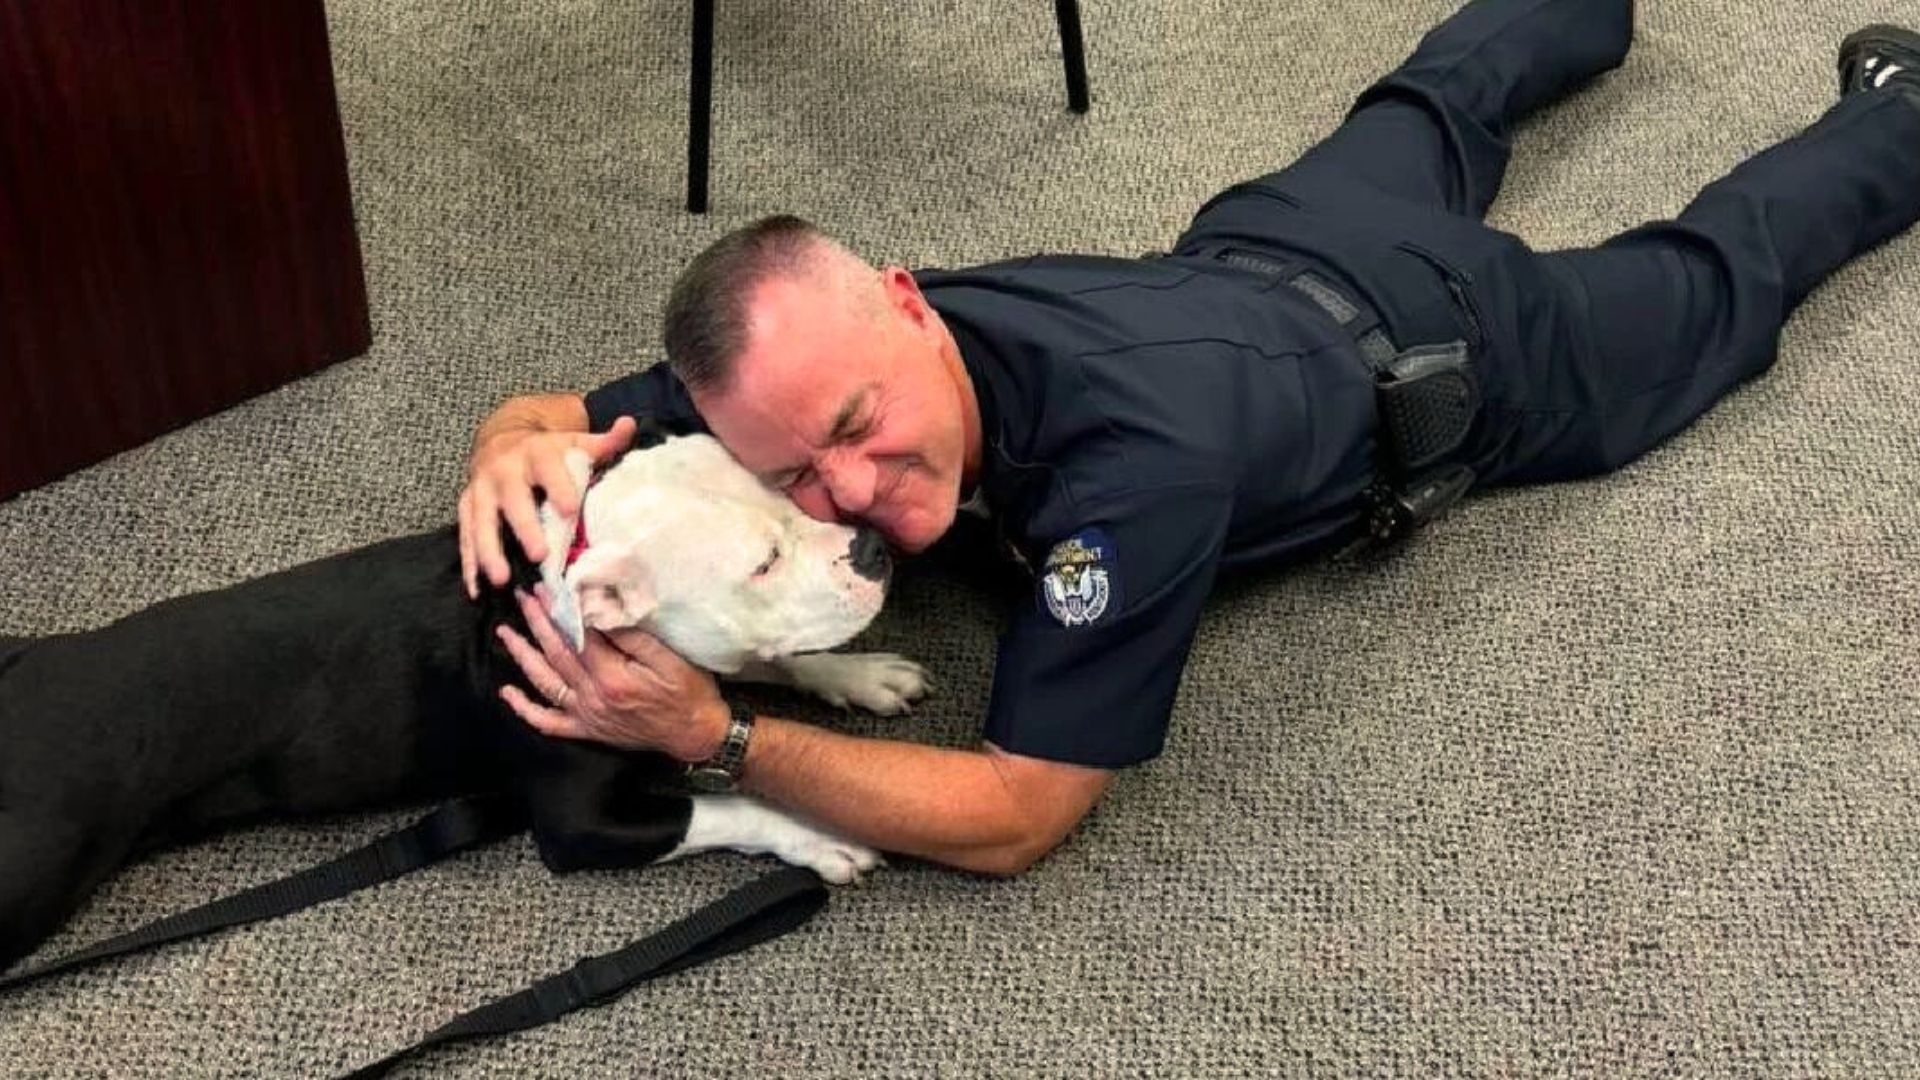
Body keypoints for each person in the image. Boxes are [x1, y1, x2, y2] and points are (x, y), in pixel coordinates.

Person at [458, 1, 1920, 876]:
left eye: (855, 433)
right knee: (1433, 98)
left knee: (1719, 279)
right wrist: (510, 436)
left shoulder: (1131, 487)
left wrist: (715, 736)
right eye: (788, 471)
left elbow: (1016, 813)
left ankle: (1904, 109)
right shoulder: (815, 357)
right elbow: (595, 411)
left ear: (904, 305)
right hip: (1269, 242)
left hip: (1461, 347)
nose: (844, 495)